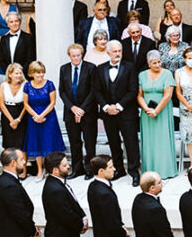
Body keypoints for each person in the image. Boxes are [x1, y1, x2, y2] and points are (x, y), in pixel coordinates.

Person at [95, 42, 140, 185]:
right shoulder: (100, 68)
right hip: (108, 114)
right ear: (108, 53)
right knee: (114, 143)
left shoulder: (130, 67)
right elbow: (96, 90)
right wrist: (106, 106)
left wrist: (119, 106)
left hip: (127, 112)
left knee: (131, 143)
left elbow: (133, 90)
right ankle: (119, 169)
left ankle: (134, 172)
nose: (117, 53)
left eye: (119, 51)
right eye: (114, 51)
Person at [58, 44, 97, 177]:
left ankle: (90, 169)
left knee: (90, 143)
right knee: (75, 143)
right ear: (69, 56)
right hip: (70, 112)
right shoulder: (64, 69)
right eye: (73, 56)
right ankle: (77, 169)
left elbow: (93, 90)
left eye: (78, 55)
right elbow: (62, 91)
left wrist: (81, 109)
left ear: (82, 54)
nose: (76, 58)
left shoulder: (90, 68)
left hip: (87, 112)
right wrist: (73, 108)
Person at [23, 61, 63, 178]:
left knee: (49, 142)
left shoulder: (49, 84)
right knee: (37, 143)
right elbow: (26, 104)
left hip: (48, 117)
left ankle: (51, 169)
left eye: (42, 72)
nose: (40, 75)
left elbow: (52, 103)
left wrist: (42, 115)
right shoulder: (27, 85)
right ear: (31, 73)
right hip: (33, 118)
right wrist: (35, 115)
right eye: (37, 73)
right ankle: (40, 170)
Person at [0, 62, 28, 156]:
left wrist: (18, 120)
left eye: (20, 73)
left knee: (21, 143)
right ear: (10, 74)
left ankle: (22, 169)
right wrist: (11, 120)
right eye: (16, 73)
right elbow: (2, 104)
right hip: (7, 114)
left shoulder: (25, 84)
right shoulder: (3, 85)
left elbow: (26, 104)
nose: (19, 75)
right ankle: (9, 167)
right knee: (8, 142)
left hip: (21, 114)